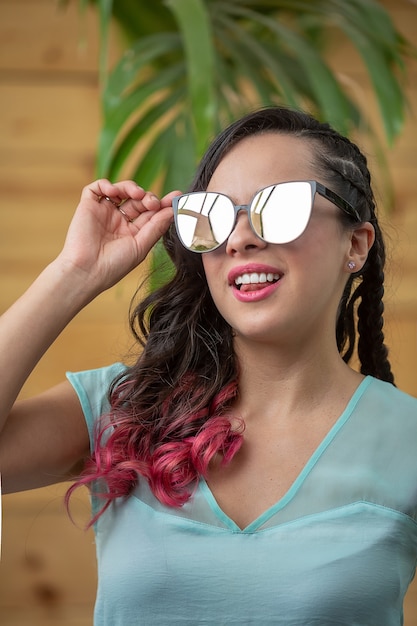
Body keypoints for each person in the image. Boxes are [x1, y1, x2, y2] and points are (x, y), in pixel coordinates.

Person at [1, 106, 417, 625]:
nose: (239, 238)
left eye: (279, 207)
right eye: (216, 216)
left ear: (355, 244)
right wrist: (74, 272)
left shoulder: (409, 440)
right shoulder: (122, 409)